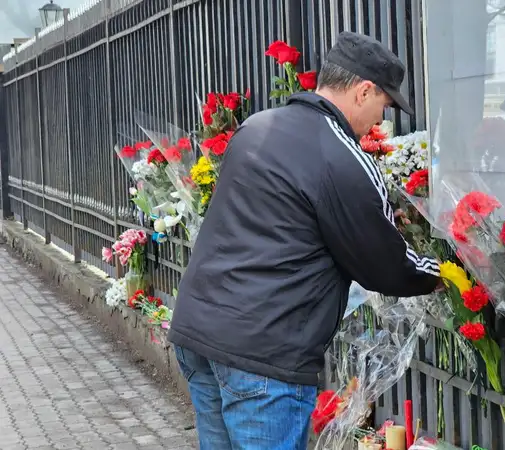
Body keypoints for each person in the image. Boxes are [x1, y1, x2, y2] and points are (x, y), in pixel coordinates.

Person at [167, 31, 441, 450]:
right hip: (263, 350)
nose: (381, 121)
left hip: (200, 329)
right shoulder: (341, 155)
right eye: (383, 106)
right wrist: (443, 274)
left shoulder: (257, 127)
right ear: (363, 91)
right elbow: (385, 267)